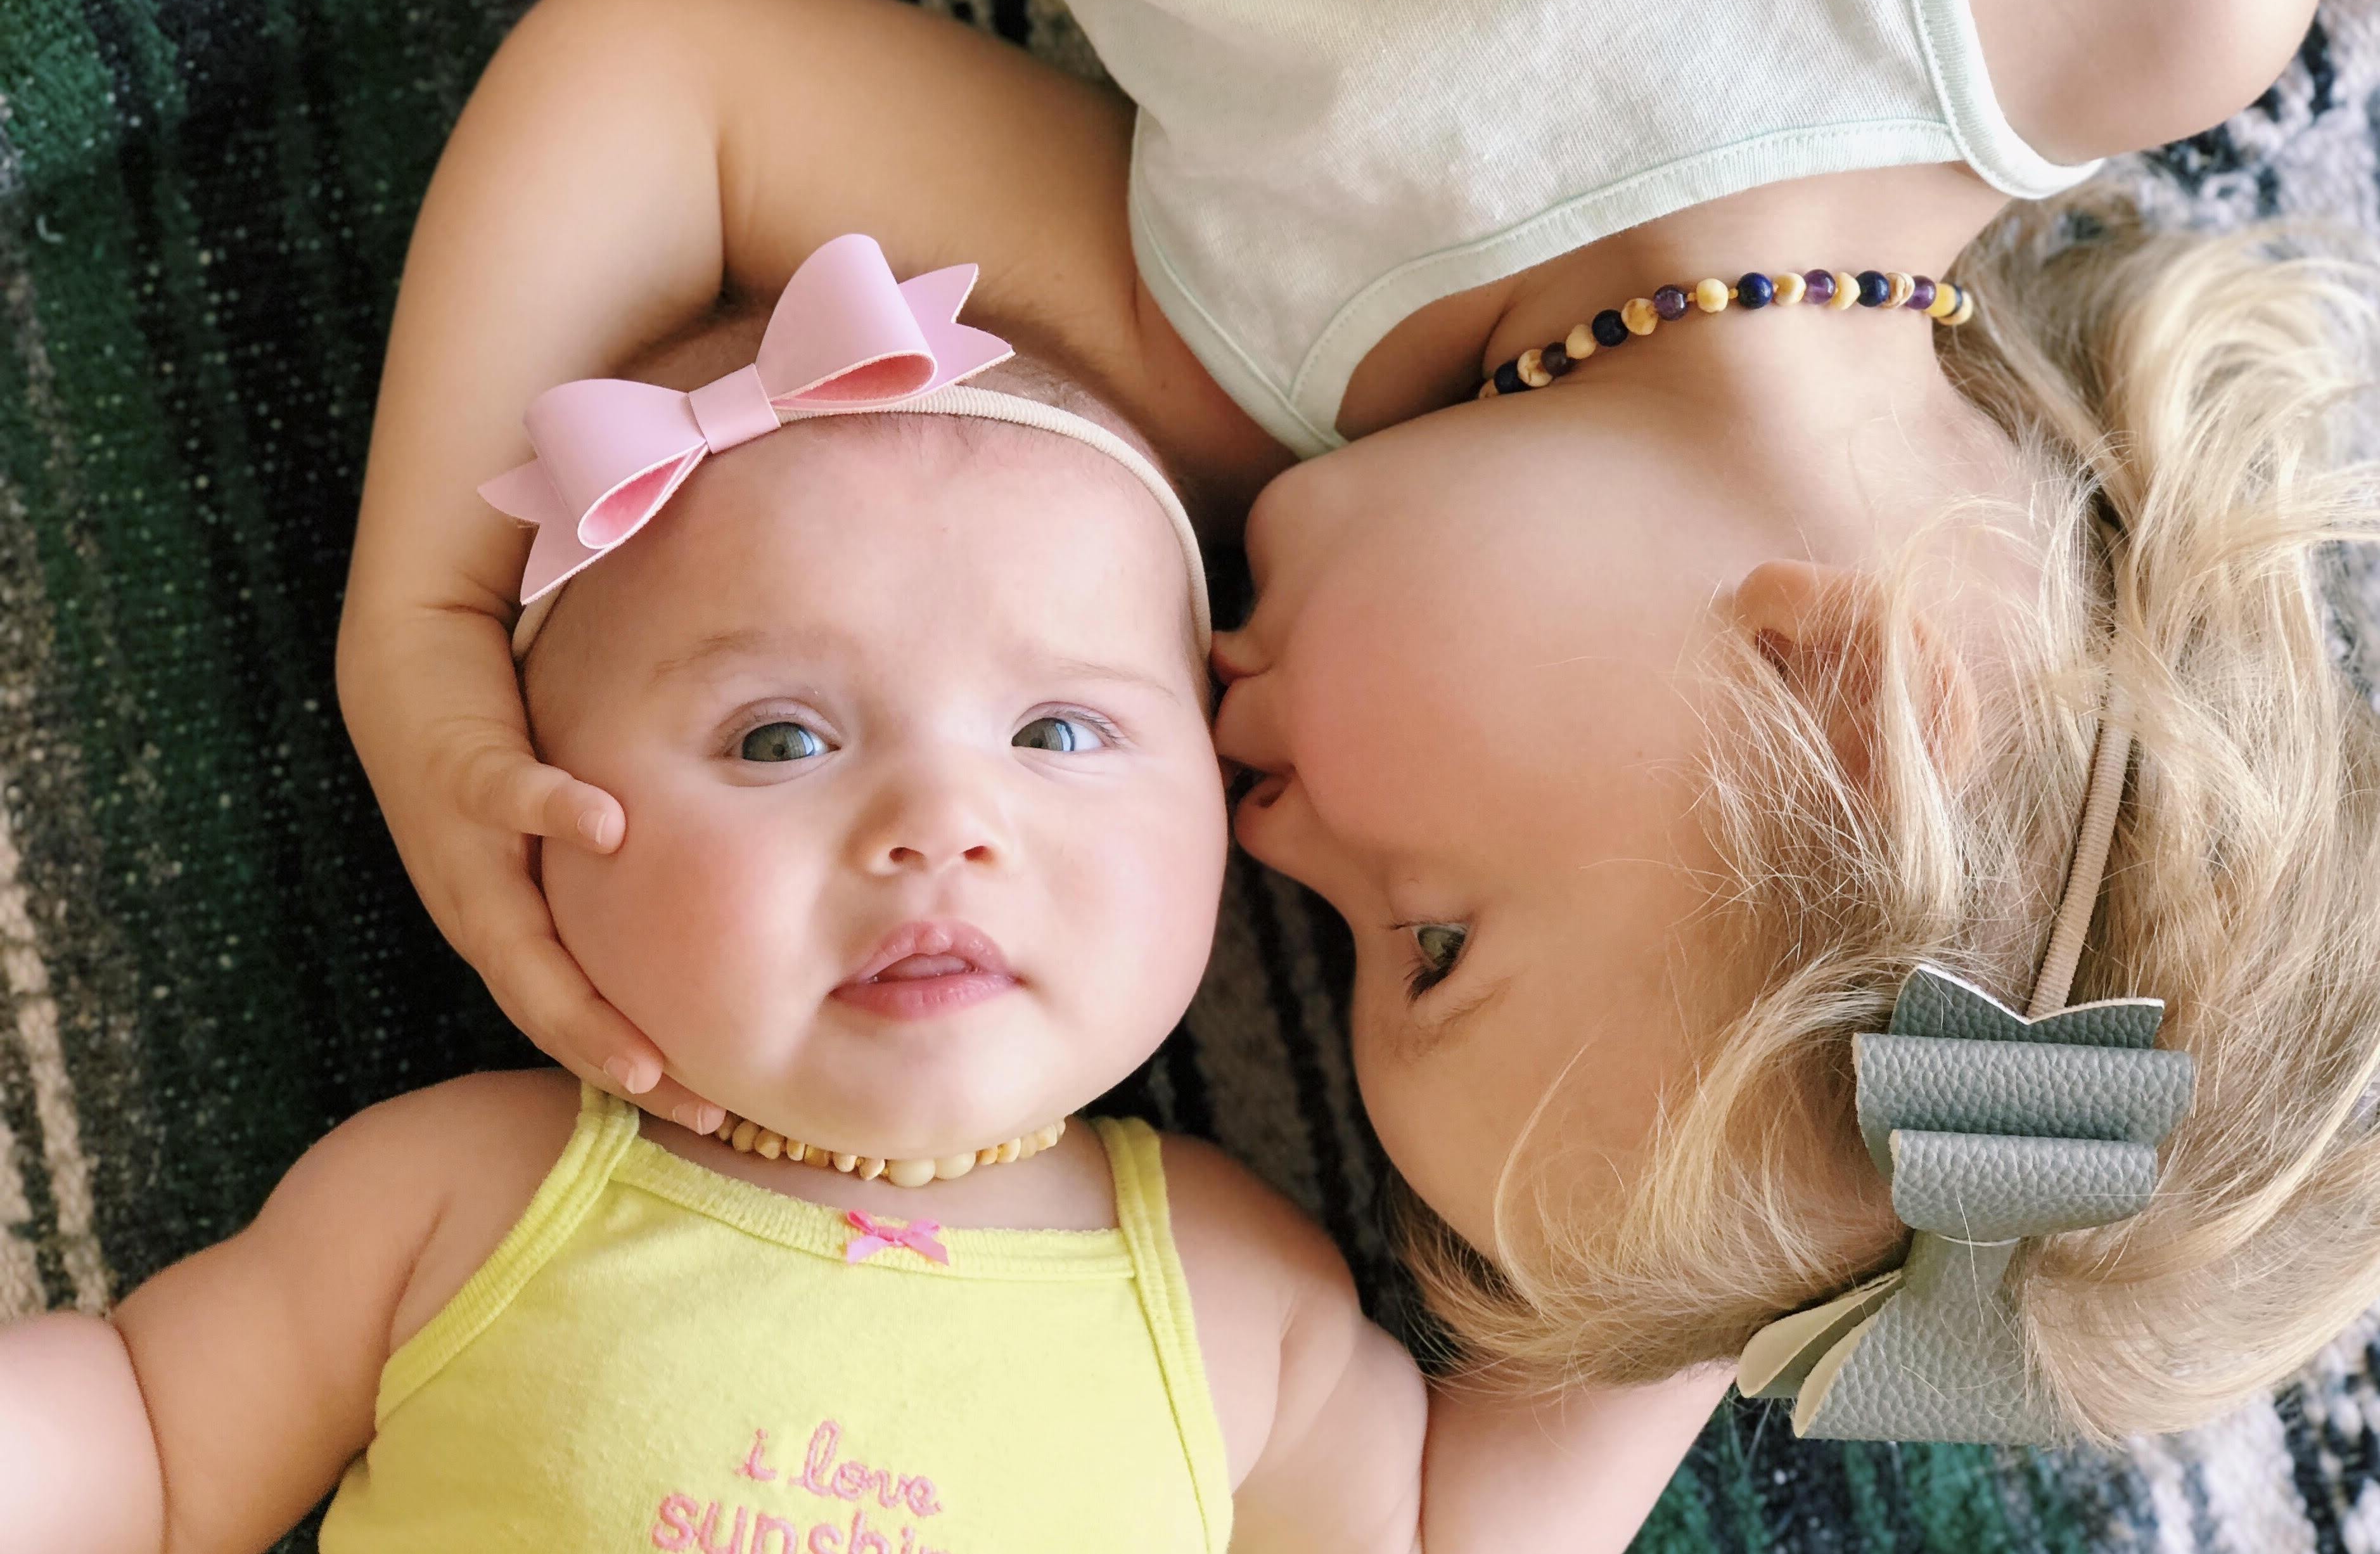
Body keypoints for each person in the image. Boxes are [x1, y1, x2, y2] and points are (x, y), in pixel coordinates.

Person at [337, 0, 2380, 1441]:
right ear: (1851, 702)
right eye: (1429, 933)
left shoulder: (1234, 361)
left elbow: (662, 93)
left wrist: (428, 611)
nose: (1257, 828)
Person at [0, 240, 1728, 1549]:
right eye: (776, 737)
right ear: (531, 830)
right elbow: (141, 1452)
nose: (937, 821)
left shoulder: (1227, 1287)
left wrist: (1764, 1160)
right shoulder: (466, 1193)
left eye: (1059, 728)